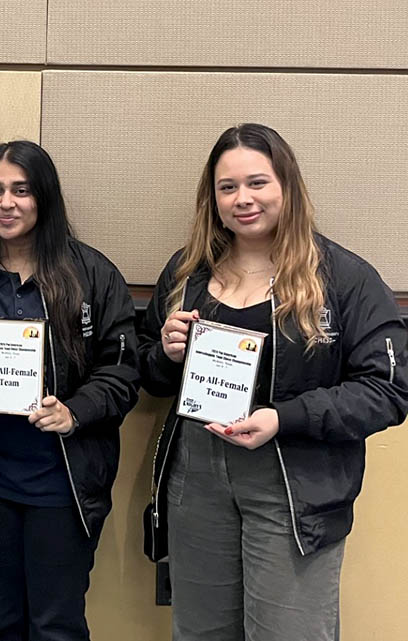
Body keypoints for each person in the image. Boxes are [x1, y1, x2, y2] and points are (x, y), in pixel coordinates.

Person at [138, 123, 408, 641]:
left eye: (258, 183)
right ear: (212, 197)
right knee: (199, 631)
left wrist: (285, 417)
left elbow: (386, 390)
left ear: (287, 185)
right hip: (197, 481)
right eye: (228, 187)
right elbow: (149, 376)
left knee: (289, 632)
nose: (243, 199)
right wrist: (167, 355)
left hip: (292, 481)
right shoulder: (187, 272)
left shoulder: (344, 279)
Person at [0, 141, 140, 641]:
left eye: (21, 190)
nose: (6, 203)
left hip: (62, 486)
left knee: (55, 626)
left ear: (44, 198)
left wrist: (76, 411)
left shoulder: (92, 275)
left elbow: (123, 371)